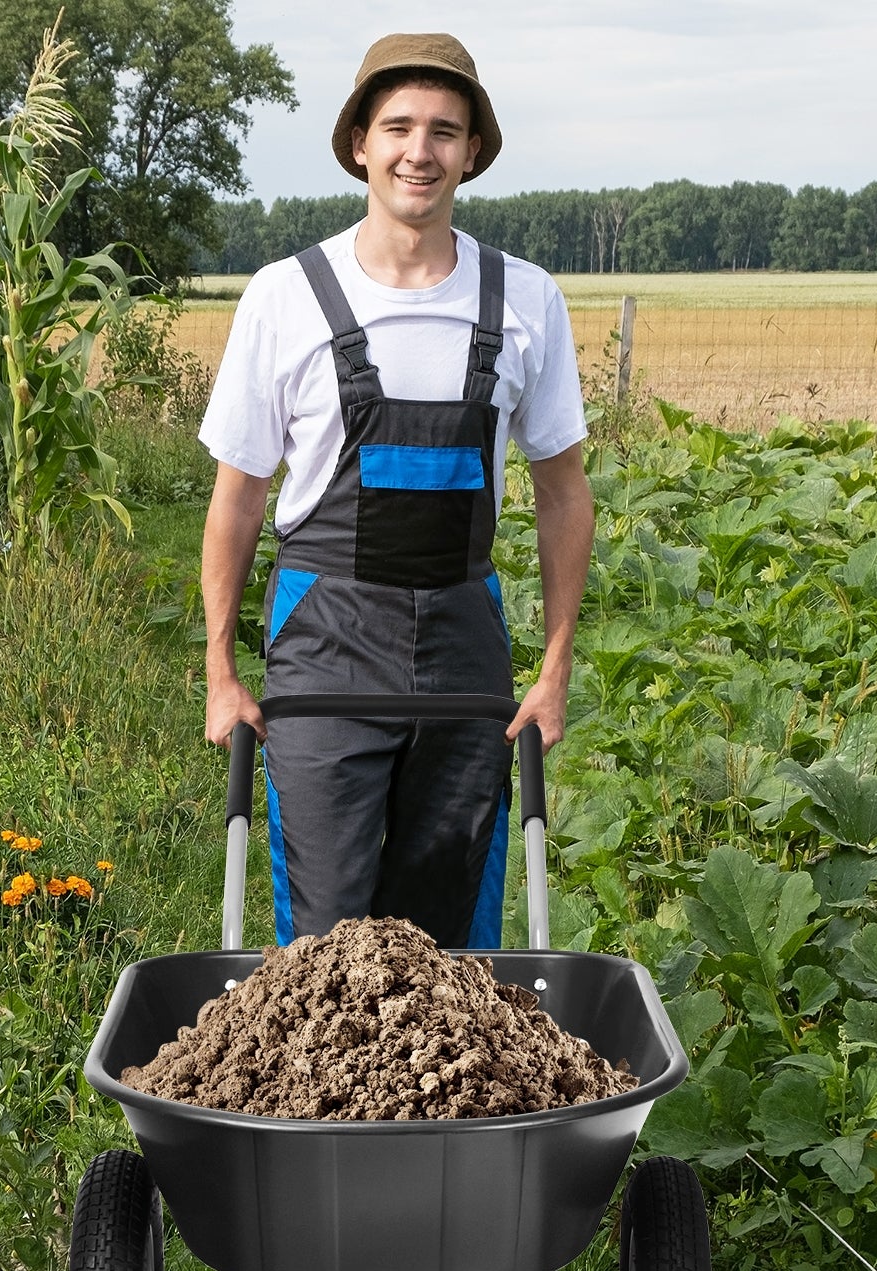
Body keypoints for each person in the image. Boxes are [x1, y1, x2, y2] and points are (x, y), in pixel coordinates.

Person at [199, 32, 593, 948]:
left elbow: (565, 494)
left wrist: (555, 668)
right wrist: (222, 671)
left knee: (448, 926)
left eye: (446, 132)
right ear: (359, 145)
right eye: (400, 127)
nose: (422, 151)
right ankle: (325, 1097)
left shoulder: (525, 300)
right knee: (327, 931)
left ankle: (449, 1095)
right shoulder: (285, 296)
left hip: (465, 638)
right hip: (326, 635)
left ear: (472, 152)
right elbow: (239, 498)